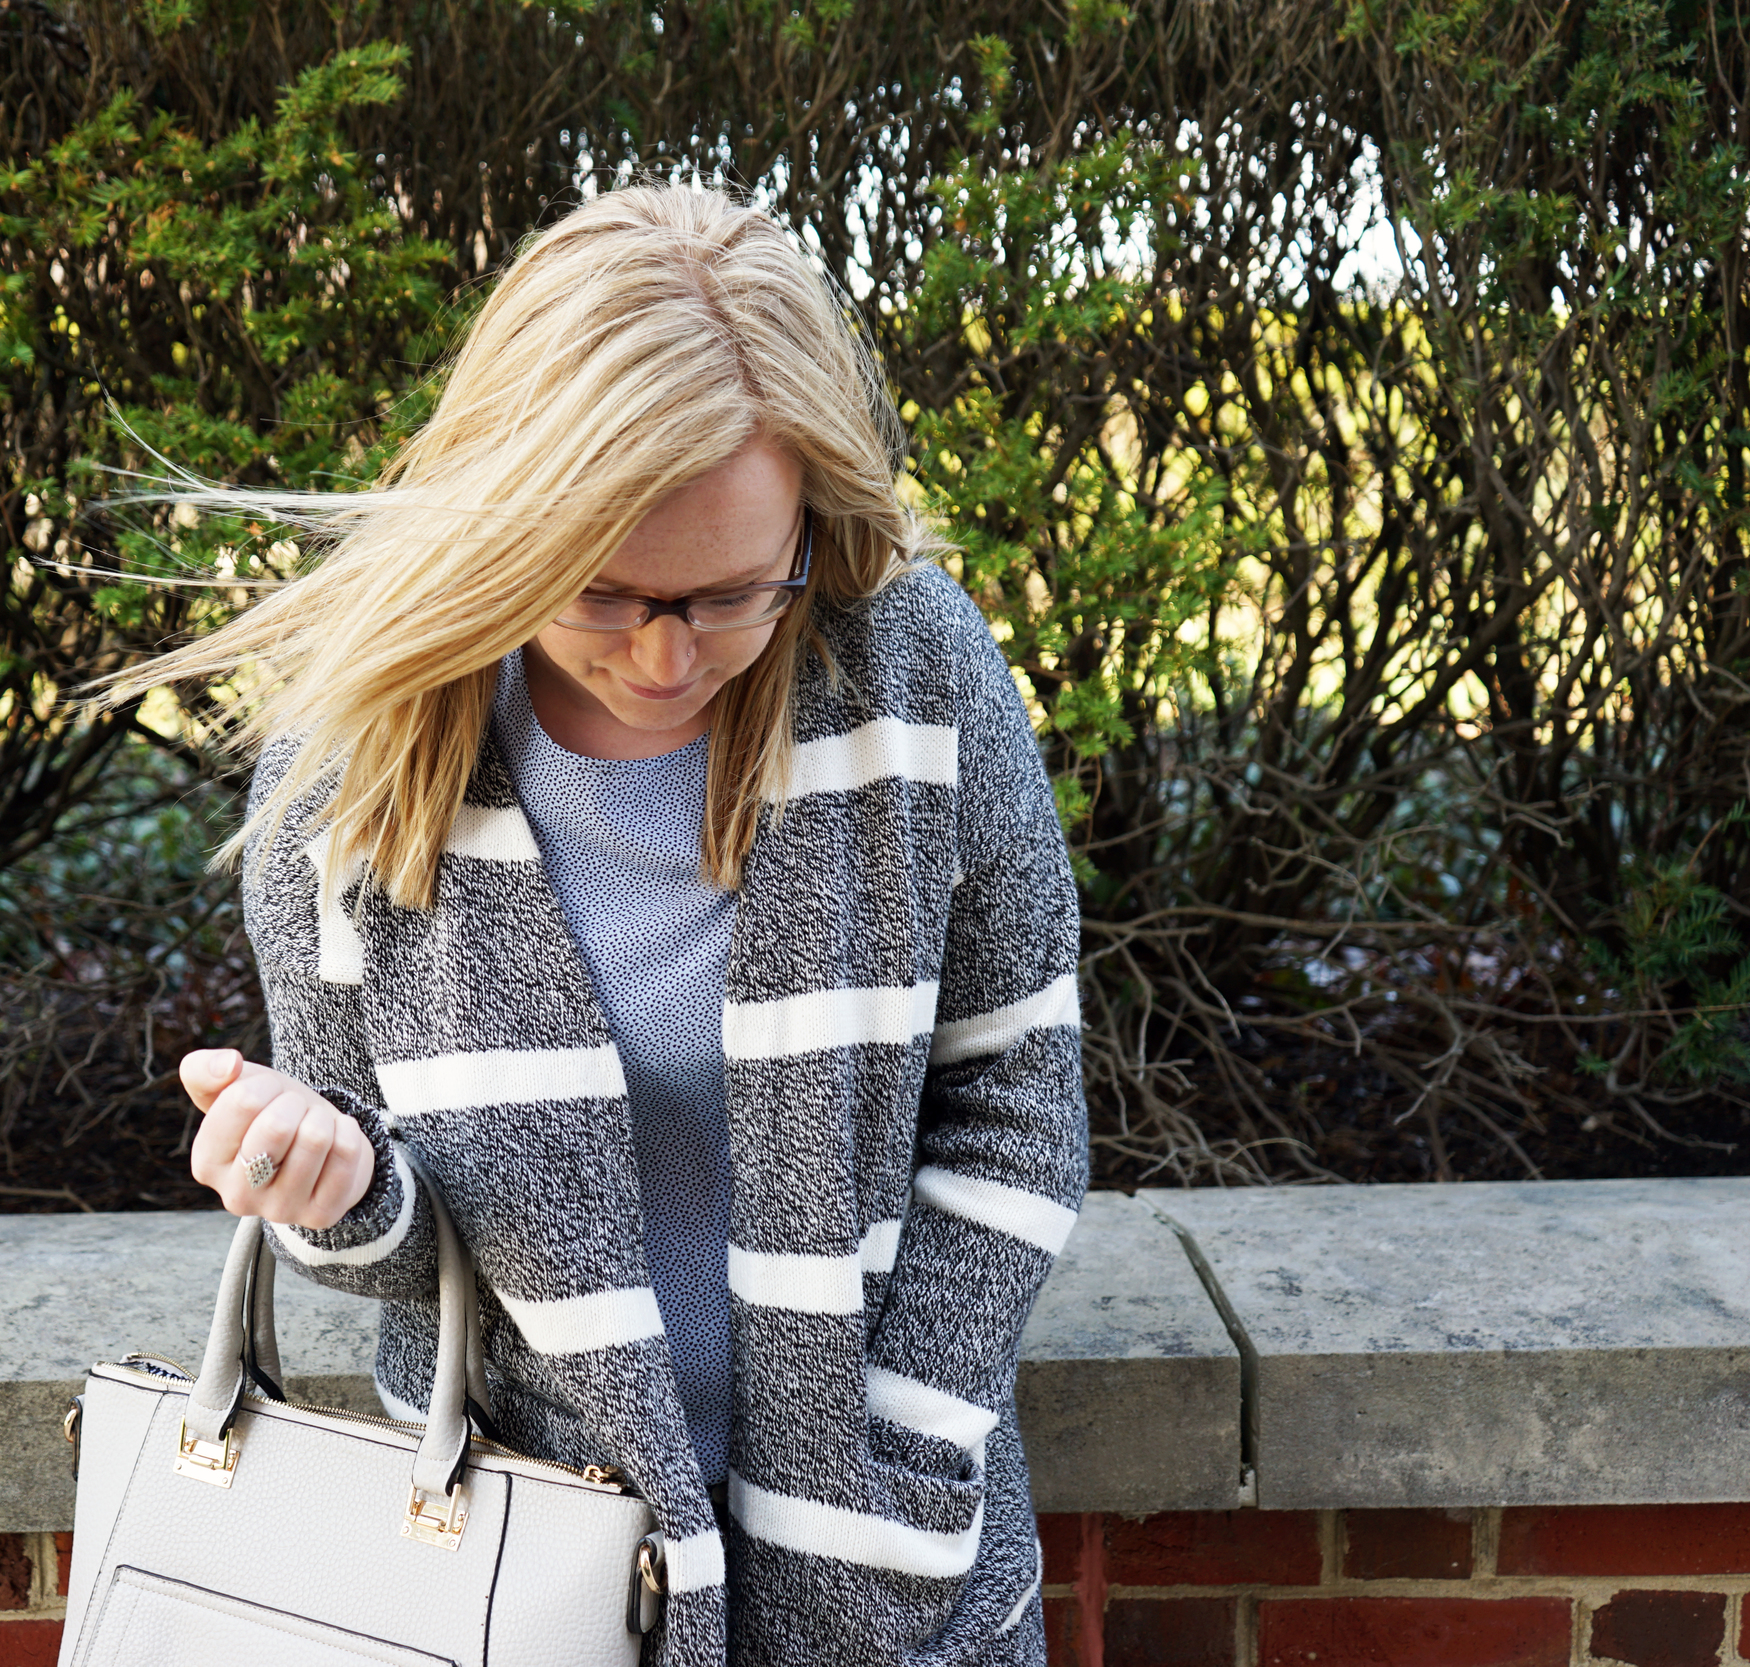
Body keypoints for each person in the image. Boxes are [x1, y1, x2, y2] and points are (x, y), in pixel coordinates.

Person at [113, 184, 1086, 1667]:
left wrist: (897, 1453)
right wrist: (332, 1187)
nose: (663, 654)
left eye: (729, 592)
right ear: (508, 519)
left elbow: (1016, 1109)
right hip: (523, 1575)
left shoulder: (917, 680)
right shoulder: (353, 777)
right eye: (607, 590)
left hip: (893, 1588)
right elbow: (398, 1252)